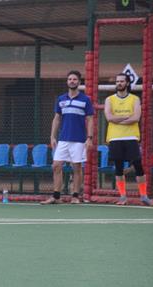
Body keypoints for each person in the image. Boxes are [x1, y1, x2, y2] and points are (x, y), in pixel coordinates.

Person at [104, 73, 153, 206]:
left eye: (122, 81)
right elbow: (109, 118)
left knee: (138, 166)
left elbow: (136, 118)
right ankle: (123, 197)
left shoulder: (135, 99)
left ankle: (144, 197)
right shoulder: (109, 99)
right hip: (115, 138)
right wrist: (127, 117)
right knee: (118, 168)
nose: (119, 83)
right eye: (117, 81)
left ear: (127, 83)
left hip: (131, 137)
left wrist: (118, 119)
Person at [41, 70, 94, 205]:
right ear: (67, 82)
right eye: (70, 79)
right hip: (63, 139)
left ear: (79, 82)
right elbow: (57, 119)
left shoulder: (85, 100)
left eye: (75, 79)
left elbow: (90, 120)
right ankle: (56, 197)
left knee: (76, 167)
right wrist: (53, 136)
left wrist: (89, 138)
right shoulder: (61, 99)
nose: (72, 81)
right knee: (56, 166)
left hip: (79, 140)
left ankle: (75, 196)